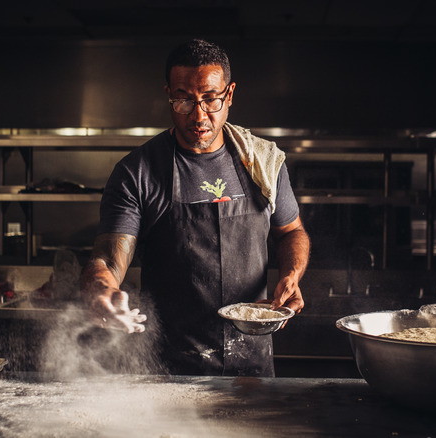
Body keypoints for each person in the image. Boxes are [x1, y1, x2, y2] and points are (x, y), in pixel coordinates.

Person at [79, 38, 310, 377]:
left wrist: (291, 275)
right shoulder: (137, 172)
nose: (199, 115)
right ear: (168, 94)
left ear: (229, 95)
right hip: (170, 367)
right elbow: (109, 258)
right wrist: (101, 289)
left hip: (252, 364)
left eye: (210, 99)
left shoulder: (263, 162)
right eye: (184, 100)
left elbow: (291, 232)